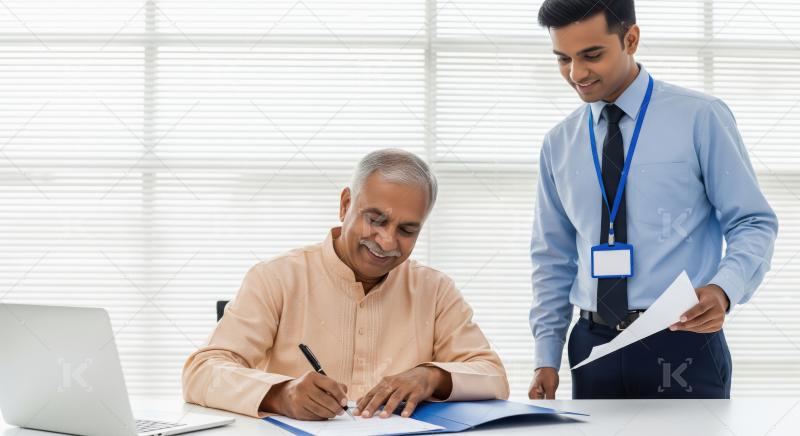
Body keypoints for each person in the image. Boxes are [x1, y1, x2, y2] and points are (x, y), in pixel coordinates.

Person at [528, 0, 778, 399]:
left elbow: (752, 221)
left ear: (631, 39)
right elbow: (552, 256)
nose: (576, 74)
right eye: (563, 59)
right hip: (592, 346)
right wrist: (546, 356)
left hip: (682, 338)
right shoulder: (558, 142)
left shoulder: (701, 117)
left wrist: (723, 289)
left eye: (591, 55)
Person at [183, 148, 509, 420]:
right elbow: (202, 371)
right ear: (345, 205)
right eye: (376, 219)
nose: (386, 241)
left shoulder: (435, 290)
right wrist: (281, 394)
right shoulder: (276, 278)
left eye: (407, 230)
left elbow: (493, 376)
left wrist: (431, 377)